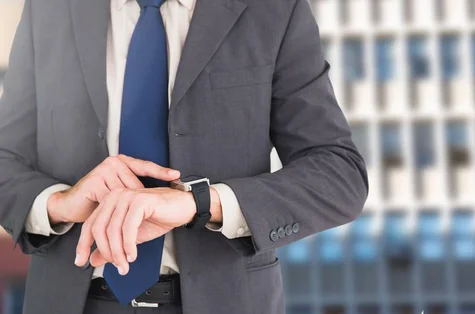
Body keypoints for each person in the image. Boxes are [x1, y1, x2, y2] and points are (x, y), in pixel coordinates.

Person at [0, 0, 368, 313]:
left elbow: (339, 173)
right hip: (68, 301)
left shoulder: (272, 9)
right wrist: (61, 203)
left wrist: (200, 203)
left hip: (225, 300)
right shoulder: (49, 8)